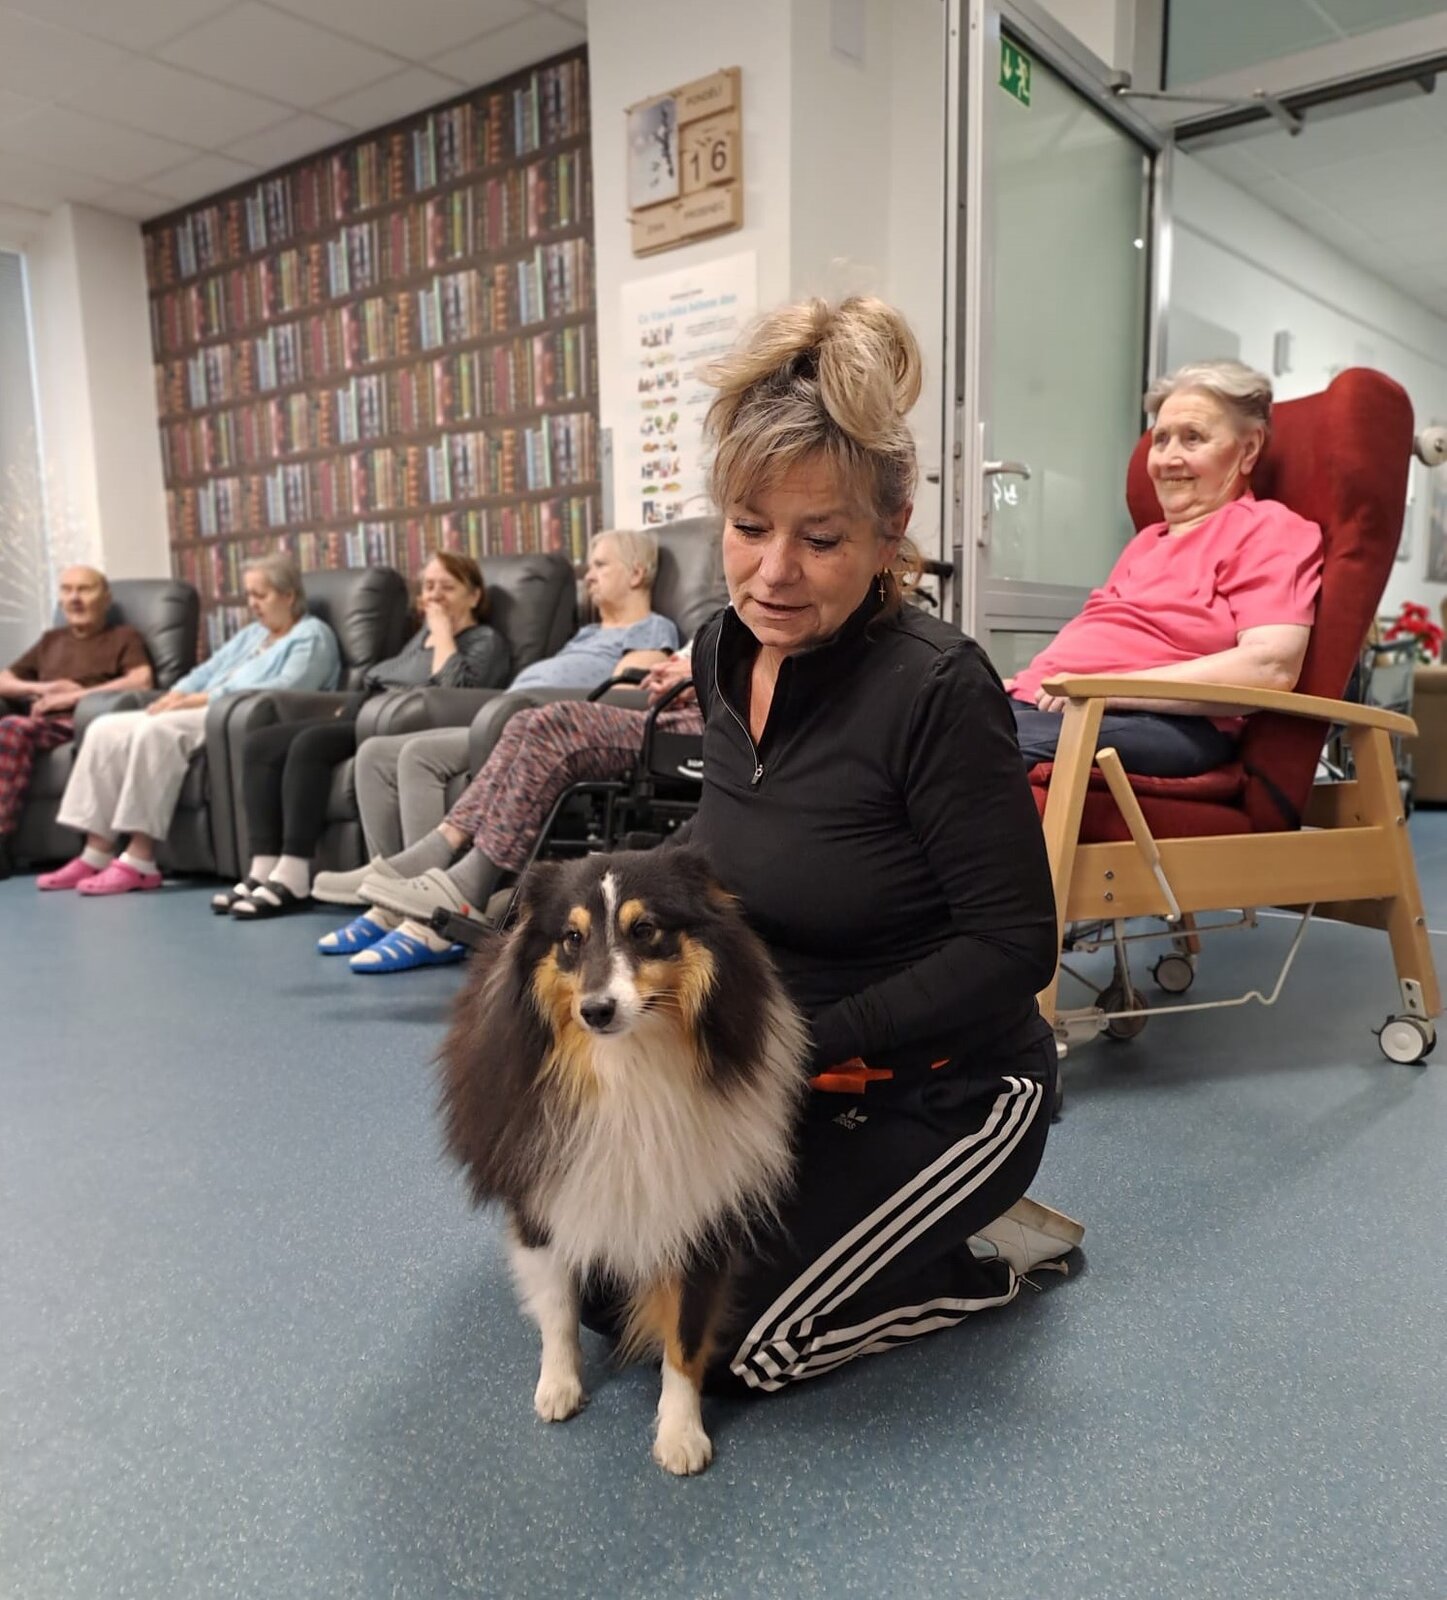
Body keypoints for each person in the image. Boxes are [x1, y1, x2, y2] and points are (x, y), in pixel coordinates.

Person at [597, 296, 1077, 1393]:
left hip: (947, 1087)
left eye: (820, 540)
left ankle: (982, 1257)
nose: (773, 572)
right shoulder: (722, 649)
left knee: (723, 1347)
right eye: (747, 527)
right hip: (783, 1075)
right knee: (601, 1285)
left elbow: (1013, 946)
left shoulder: (936, 689)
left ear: (890, 532)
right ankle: (873, 1229)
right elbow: (734, 837)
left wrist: (802, 1040)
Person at [308, 528, 681, 899]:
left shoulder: (651, 629)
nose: (589, 575)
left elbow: (620, 699)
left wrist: (533, 708)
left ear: (636, 573)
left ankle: (425, 884)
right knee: (376, 754)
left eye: (600, 565)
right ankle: (389, 885)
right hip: (508, 713)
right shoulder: (585, 634)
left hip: (546, 723)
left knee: (419, 755)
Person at [1006, 359, 1322, 772]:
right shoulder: (1147, 542)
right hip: (1056, 704)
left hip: (1164, 722)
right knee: (932, 719)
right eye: (1161, 440)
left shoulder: (1268, 529)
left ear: (1248, 450)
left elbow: (1271, 666)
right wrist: (1024, 683)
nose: (1169, 459)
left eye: (1193, 439)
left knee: (972, 748)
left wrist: (1105, 690)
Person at [318, 649, 703, 971]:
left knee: (553, 723)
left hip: (701, 723)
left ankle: (468, 885)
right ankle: (439, 849)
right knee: (521, 721)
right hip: (673, 708)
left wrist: (697, 669)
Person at [215, 551, 511, 918]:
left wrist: (440, 632)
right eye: (428, 586)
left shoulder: (484, 640)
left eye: (446, 587)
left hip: (399, 723)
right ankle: (262, 868)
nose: (434, 595)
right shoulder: (420, 639)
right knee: (261, 743)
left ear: (475, 595)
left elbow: (454, 691)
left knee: (310, 745)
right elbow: (382, 676)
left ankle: (293, 873)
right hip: (367, 711)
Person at [37, 553, 341, 895]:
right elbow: (206, 670)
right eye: (249, 595)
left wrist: (199, 700)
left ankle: (140, 859)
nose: (252, 604)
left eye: (261, 595)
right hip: (202, 706)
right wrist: (175, 695)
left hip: (238, 716)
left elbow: (287, 689)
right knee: (104, 728)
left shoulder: (312, 636)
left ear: (288, 595)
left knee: (156, 731)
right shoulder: (254, 635)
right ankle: (96, 852)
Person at [0, 566, 153, 880]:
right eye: (67, 590)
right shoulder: (50, 640)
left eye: (84, 589)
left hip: (84, 720)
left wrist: (75, 696)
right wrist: (44, 689)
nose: (74, 598)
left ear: (106, 597)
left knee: (12, 729)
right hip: (41, 723)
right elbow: (4, 679)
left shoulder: (123, 637)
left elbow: (141, 680)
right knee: (14, 728)